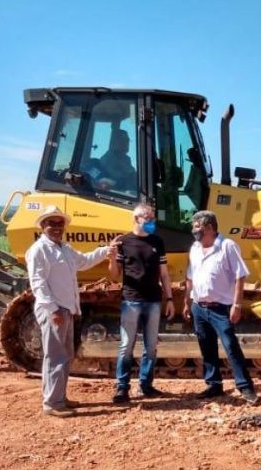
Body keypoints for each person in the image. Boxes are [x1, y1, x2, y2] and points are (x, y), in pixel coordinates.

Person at [26, 205, 114, 417]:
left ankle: (60, 398)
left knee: (65, 356)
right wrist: (53, 310)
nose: (56, 227)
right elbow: (38, 283)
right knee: (55, 357)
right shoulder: (39, 250)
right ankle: (52, 403)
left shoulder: (64, 248)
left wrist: (106, 251)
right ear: (43, 226)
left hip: (66, 309)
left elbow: (84, 262)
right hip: (54, 311)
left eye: (60, 223)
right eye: (51, 223)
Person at [182, 210, 260, 405]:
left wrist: (237, 304)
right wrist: (186, 301)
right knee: (206, 347)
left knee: (231, 347)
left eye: (197, 227)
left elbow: (239, 275)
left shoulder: (227, 246)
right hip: (199, 307)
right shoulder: (195, 248)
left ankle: (245, 386)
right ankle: (214, 384)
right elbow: (190, 276)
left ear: (209, 227)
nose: (194, 230)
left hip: (220, 308)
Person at [108, 202, 174, 404]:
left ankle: (146, 385)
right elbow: (114, 275)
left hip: (153, 300)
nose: (152, 221)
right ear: (136, 219)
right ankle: (122, 387)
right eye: (148, 218)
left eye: (153, 218)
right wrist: (111, 258)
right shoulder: (124, 242)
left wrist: (170, 298)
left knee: (151, 346)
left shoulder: (157, 241)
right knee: (126, 345)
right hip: (131, 300)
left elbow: (164, 273)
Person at [94, 128, 137, 193]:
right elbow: (115, 176)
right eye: (124, 140)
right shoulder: (108, 158)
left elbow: (131, 173)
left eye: (127, 140)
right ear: (115, 141)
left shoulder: (126, 159)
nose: (127, 143)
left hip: (126, 189)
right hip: (115, 191)